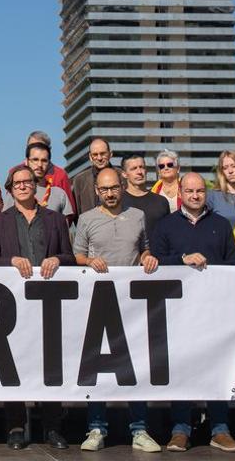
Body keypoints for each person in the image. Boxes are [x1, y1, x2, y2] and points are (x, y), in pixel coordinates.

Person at [149, 172, 235, 453]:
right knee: (183, 369)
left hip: (214, 312)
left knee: (216, 367)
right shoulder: (165, 226)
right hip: (178, 313)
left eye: (200, 191)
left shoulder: (221, 225)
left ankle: (220, 429)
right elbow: (155, 263)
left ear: (206, 193)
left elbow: (233, 266)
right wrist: (181, 260)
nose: (195, 195)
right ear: (181, 191)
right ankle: (181, 430)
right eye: (189, 191)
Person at [0, 166, 74, 450]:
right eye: (17, 183)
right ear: (9, 190)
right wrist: (10, 260)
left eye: (27, 182)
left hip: (48, 303)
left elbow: (70, 257)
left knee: (49, 366)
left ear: (35, 186)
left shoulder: (56, 219)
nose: (23, 186)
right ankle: (15, 426)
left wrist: (58, 259)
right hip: (13, 305)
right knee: (14, 365)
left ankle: (52, 427)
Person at [73, 167, 161, 453]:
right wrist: (88, 262)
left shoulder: (138, 216)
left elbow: (144, 248)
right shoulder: (86, 219)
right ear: (97, 191)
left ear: (122, 187)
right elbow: (77, 255)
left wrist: (148, 258)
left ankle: (139, 429)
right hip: (98, 301)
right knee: (97, 368)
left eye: (114, 188)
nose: (109, 194)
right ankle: (96, 427)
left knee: (134, 367)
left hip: (132, 304)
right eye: (104, 189)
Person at [9, 130, 77, 215]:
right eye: (32, 146)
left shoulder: (60, 175)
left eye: (41, 146)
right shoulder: (14, 172)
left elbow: (69, 211)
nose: (37, 149)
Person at [7, 142, 71, 225]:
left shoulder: (59, 194)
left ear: (49, 164)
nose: (39, 165)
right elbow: (6, 225)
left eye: (44, 161)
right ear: (26, 161)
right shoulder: (16, 192)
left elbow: (65, 230)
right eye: (35, 160)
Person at [121, 155, 170, 239]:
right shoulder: (119, 202)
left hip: (157, 251)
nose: (139, 172)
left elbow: (169, 233)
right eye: (134, 168)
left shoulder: (161, 201)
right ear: (124, 174)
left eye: (142, 167)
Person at [70, 137, 117, 213]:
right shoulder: (79, 180)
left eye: (103, 153)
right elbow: (76, 212)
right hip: (89, 224)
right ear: (90, 157)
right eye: (95, 154)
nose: (99, 158)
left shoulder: (121, 175)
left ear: (110, 154)